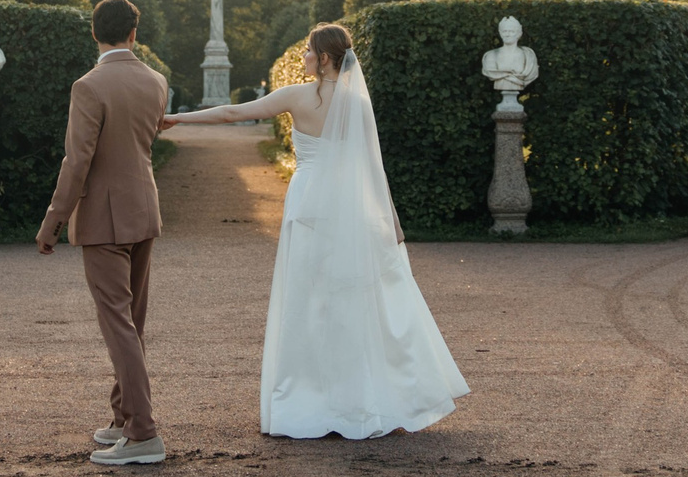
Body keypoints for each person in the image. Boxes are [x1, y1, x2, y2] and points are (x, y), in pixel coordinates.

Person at [163, 23, 467, 439]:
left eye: (309, 51)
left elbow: (233, 113)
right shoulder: (357, 102)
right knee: (353, 299)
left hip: (308, 206)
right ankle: (361, 399)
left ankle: (311, 398)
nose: (304, 57)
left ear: (324, 58)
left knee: (308, 302)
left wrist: (178, 117)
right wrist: (391, 221)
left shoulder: (298, 96)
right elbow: (372, 170)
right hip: (350, 209)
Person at [37, 0, 171, 465]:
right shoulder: (156, 81)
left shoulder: (88, 86)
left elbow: (78, 162)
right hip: (144, 211)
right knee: (132, 321)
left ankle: (143, 434)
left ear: (94, 33)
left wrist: (53, 221)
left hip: (104, 221)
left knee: (118, 324)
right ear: (134, 34)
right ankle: (122, 417)